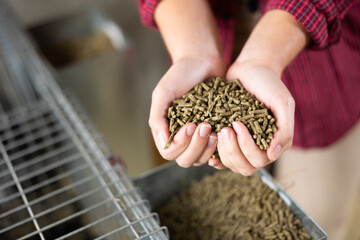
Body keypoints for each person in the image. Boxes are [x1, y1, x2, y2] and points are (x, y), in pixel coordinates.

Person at [137, 0, 360, 238]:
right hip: (200, 25)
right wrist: (193, 52)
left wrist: (264, 57)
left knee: (317, 213)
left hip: (321, 65)